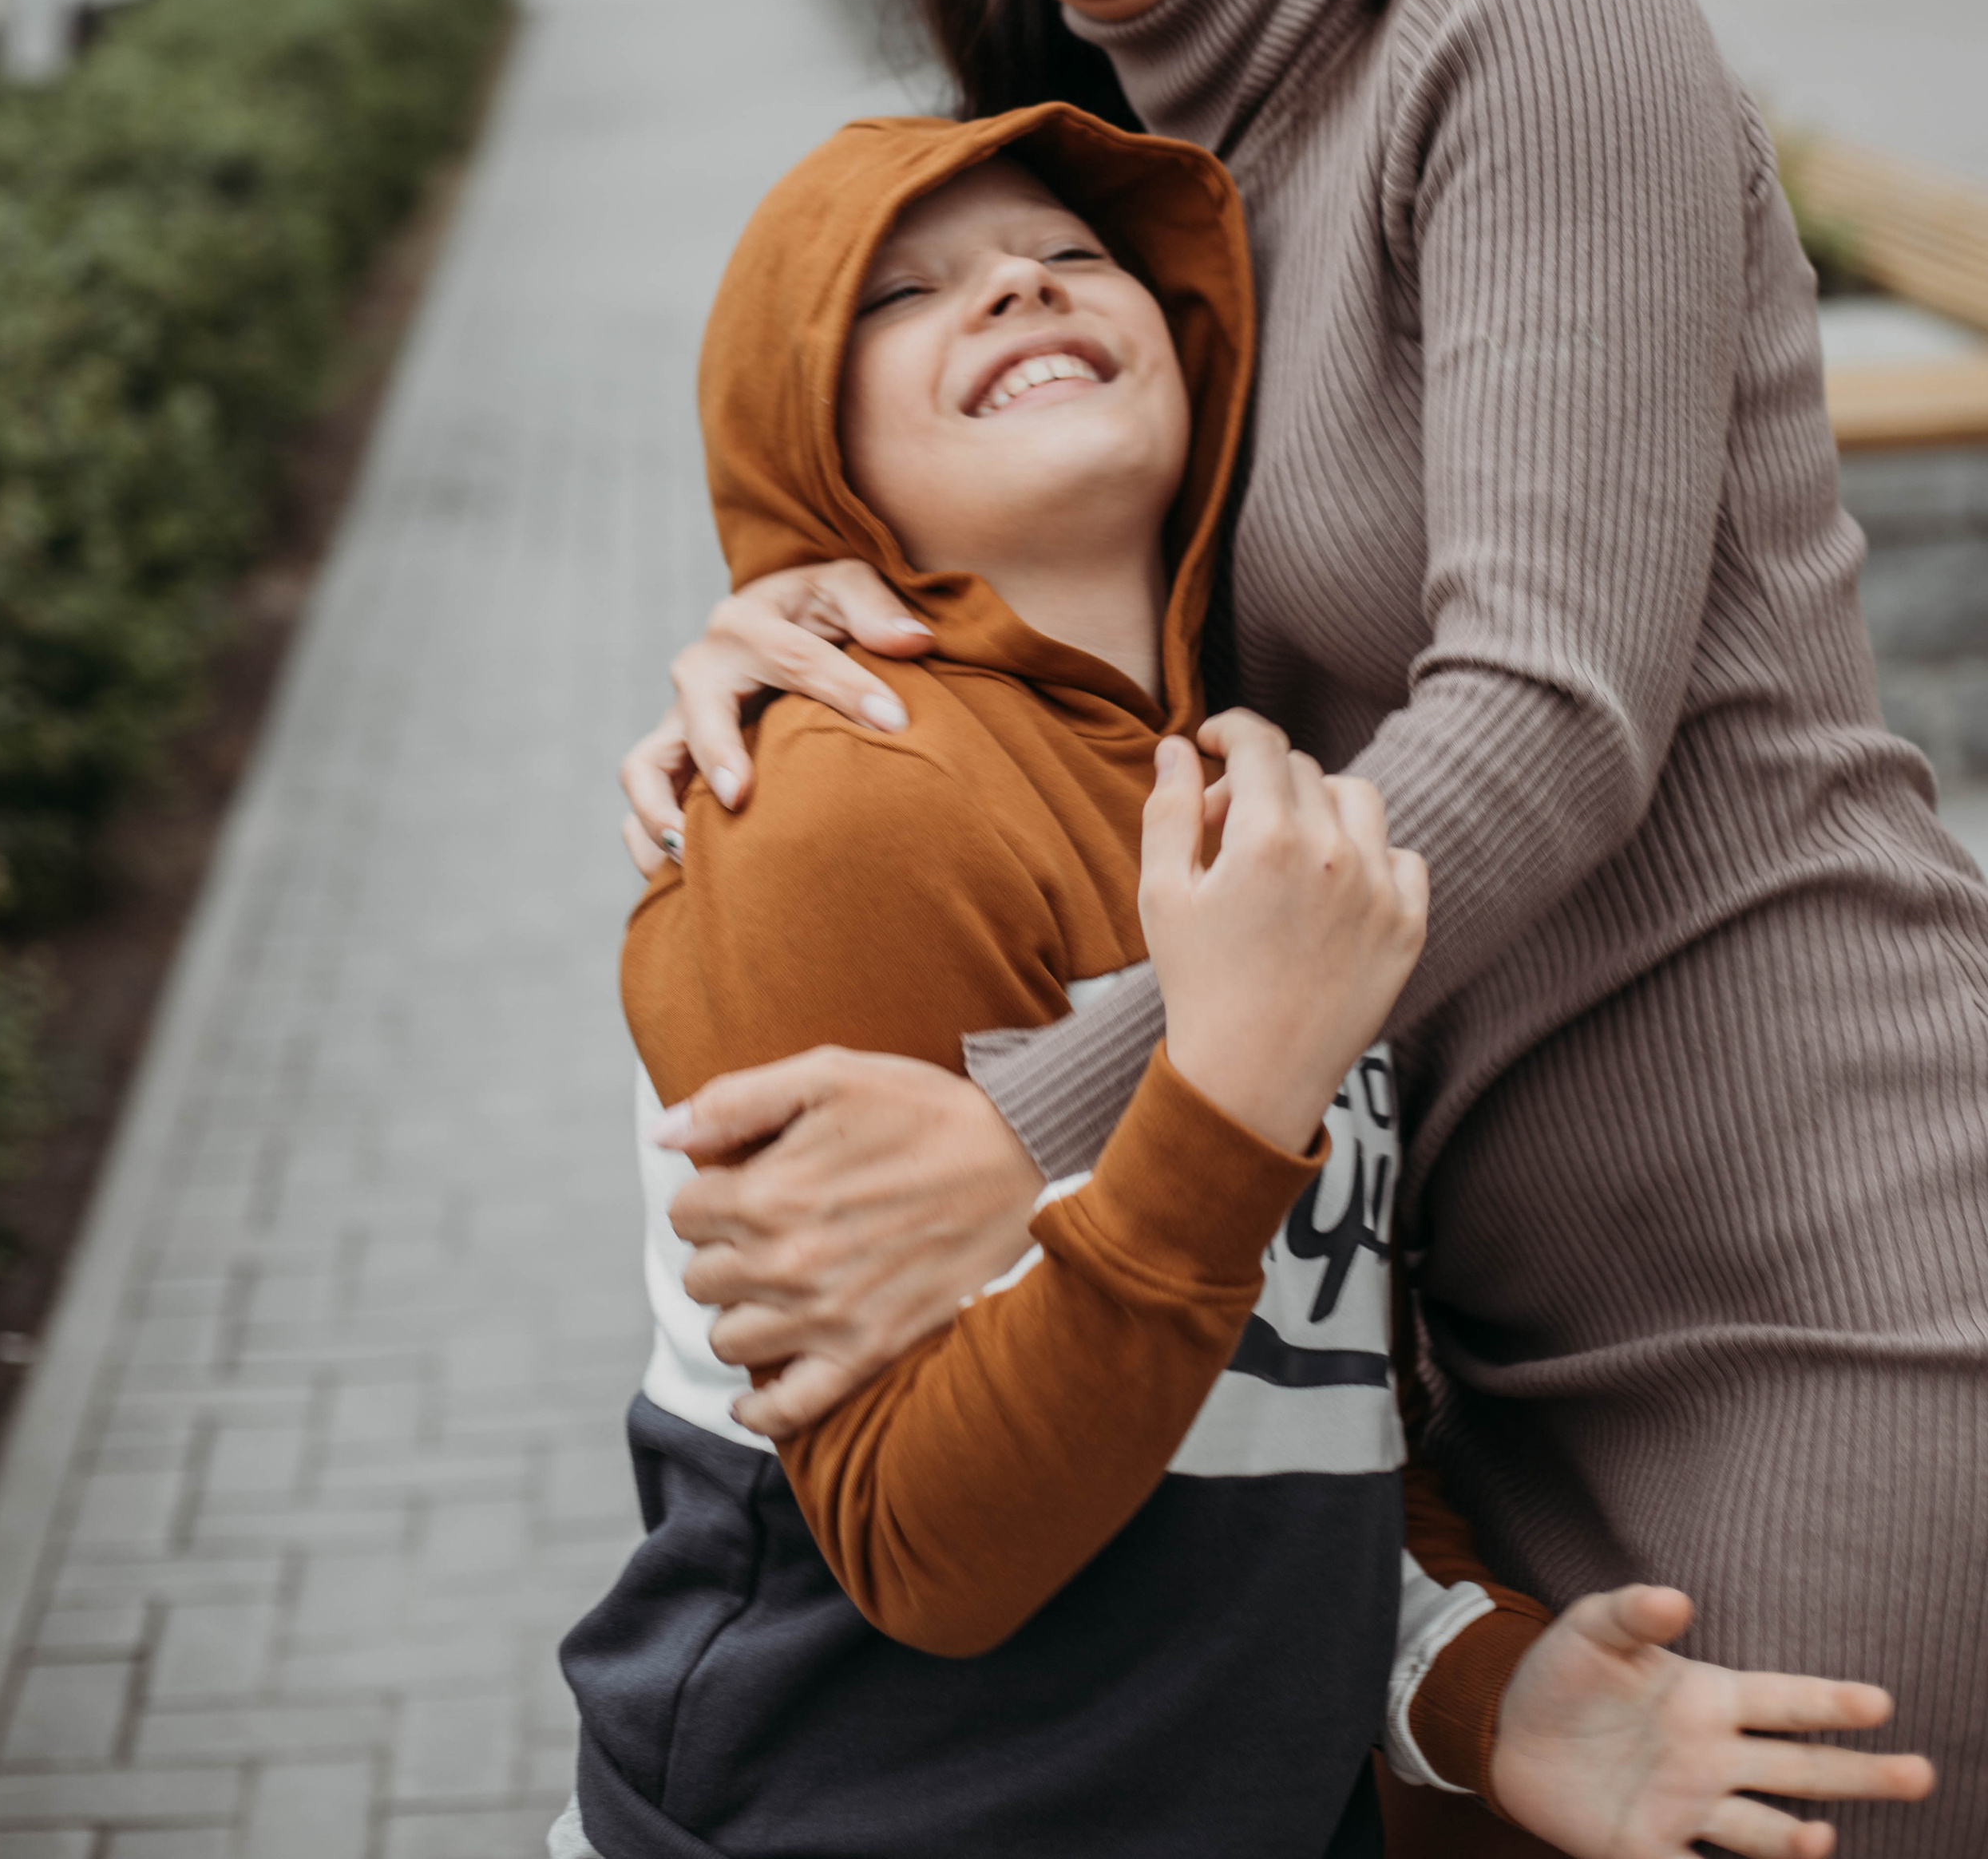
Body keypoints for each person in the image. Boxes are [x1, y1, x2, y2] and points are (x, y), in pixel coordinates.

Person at [620, 0, 1988, 1849]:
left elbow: (1550, 716)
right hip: (1426, 1399)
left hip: (1805, 1307)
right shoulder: (1109, 220)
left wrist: (1012, 1131)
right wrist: (797, 607)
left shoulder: (1522, 5)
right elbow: (1108, 699)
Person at [561, 107, 1927, 1859]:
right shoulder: (828, 807)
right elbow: (925, 1549)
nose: (1011, 286)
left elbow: (1288, 1393)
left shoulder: (1248, 813)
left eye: (1068, 256)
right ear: (799, 446)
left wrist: (1478, 1688)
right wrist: (1218, 1099)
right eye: (903, 290)